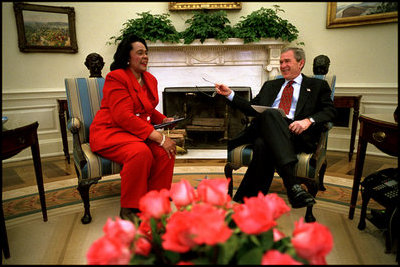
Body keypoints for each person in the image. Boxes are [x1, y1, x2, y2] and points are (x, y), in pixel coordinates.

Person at [215, 47, 336, 208]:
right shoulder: (270, 85)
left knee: (262, 144)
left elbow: (330, 111)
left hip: (297, 134)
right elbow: (252, 108)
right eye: (280, 62)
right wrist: (230, 94)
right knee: (271, 114)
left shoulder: (317, 85)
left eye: (287, 61)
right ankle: (292, 184)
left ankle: (247, 203)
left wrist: (307, 121)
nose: (283, 65)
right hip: (269, 126)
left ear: (301, 63)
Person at [89, 34, 177, 221]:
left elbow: (148, 109)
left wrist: (164, 119)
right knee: (140, 152)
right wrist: (159, 137)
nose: (145, 56)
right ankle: (129, 207)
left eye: (146, 52)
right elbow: (123, 116)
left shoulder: (150, 79)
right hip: (110, 131)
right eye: (140, 53)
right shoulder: (116, 77)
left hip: (135, 132)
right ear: (127, 57)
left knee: (165, 152)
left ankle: (155, 201)